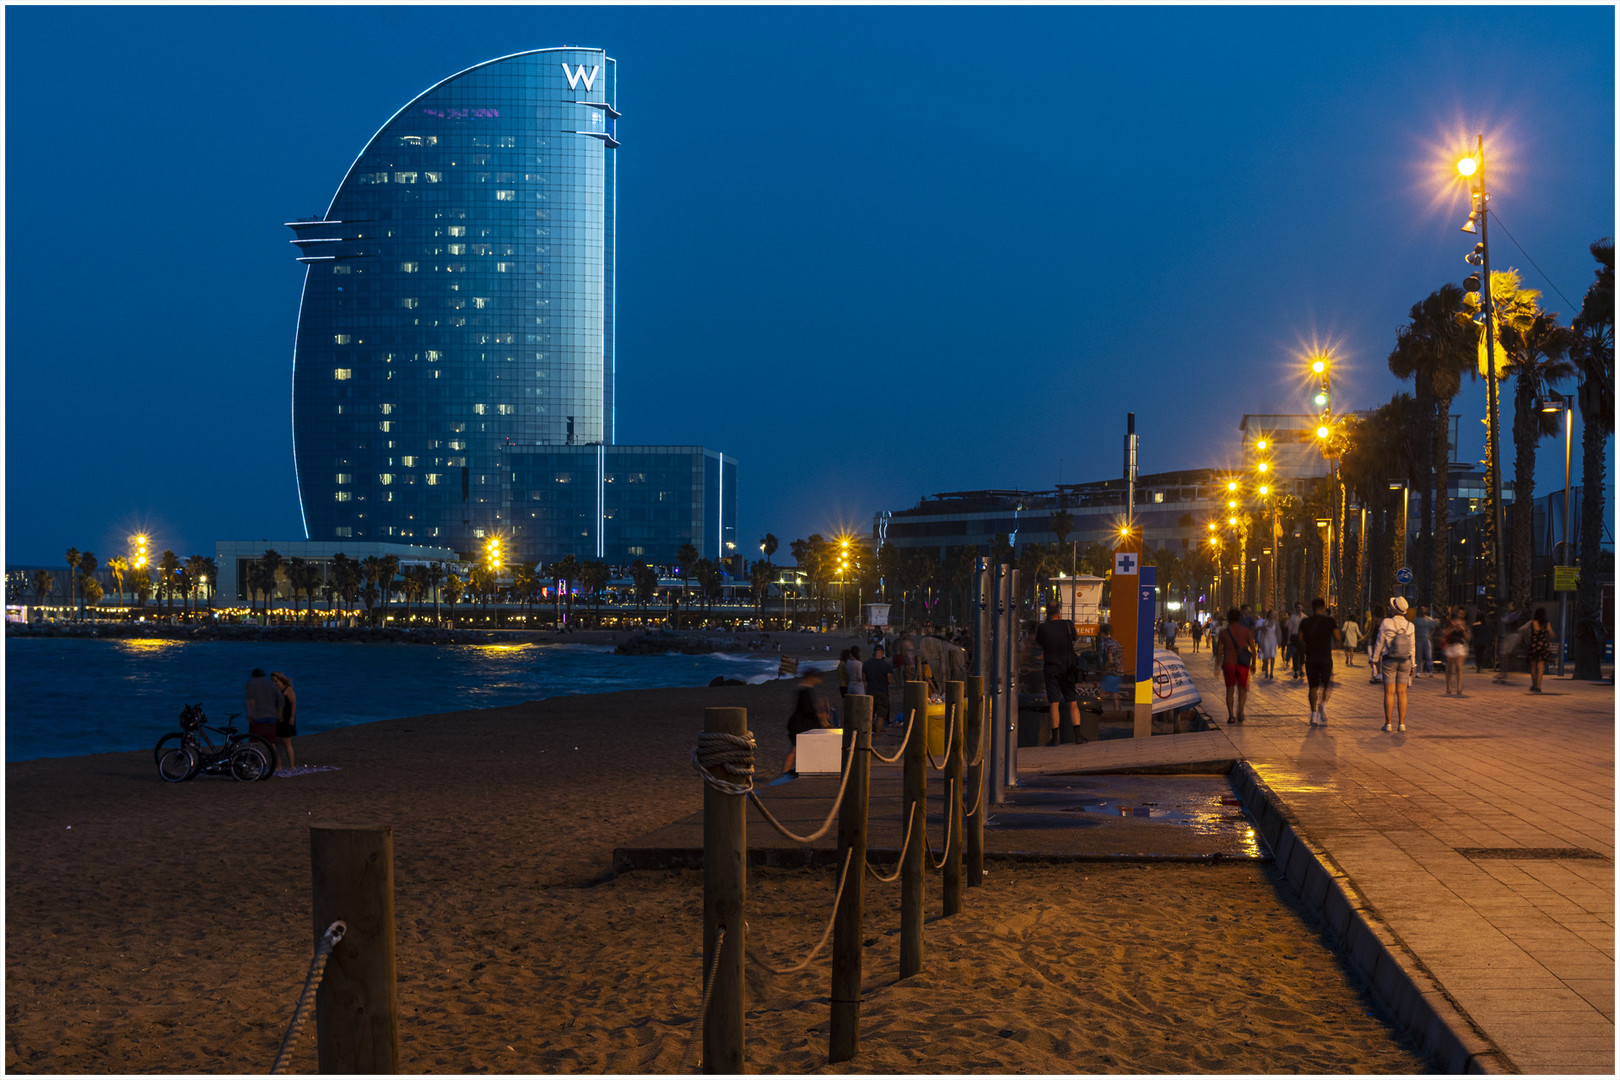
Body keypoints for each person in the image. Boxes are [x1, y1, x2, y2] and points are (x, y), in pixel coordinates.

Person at [1035, 600, 1082, 746]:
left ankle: (1055, 738)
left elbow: (1039, 643)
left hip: (1051, 668)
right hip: (1068, 668)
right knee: (1072, 702)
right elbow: (1074, 638)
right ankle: (1078, 736)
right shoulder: (1068, 624)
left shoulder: (1042, 628)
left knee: (1054, 704)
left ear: (1047, 614)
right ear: (1059, 612)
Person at [1371, 596, 1416, 733]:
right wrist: (1413, 665)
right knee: (1402, 692)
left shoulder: (1386, 622)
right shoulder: (1410, 625)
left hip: (1389, 659)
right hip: (1405, 660)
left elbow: (1380, 642)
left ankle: (1388, 723)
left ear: (1392, 609)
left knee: (1389, 692)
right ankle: (1402, 724)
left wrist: (1374, 659)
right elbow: (1412, 647)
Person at [779, 669, 830, 778]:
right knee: (794, 750)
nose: (819, 680)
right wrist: (821, 717)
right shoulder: (806, 691)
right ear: (811, 678)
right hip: (799, 724)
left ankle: (787, 772)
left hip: (798, 723)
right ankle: (785, 773)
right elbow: (808, 710)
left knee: (795, 750)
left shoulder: (803, 689)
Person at [1298, 598, 1341, 726]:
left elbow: (1300, 638)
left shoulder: (1305, 622)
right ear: (1323, 607)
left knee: (1313, 687)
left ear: (1312, 607)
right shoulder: (1330, 621)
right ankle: (1323, 704)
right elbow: (1338, 637)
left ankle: (1313, 714)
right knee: (1327, 684)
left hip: (1311, 658)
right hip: (1325, 658)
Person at [1214, 607, 1257, 724]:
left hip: (1228, 663)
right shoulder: (1246, 631)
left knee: (1230, 690)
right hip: (1243, 664)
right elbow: (1253, 649)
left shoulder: (1224, 632)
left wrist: (1217, 665)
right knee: (1242, 690)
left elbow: (1219, 651)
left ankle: (1231, 716)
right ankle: (1240, 710)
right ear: (1239, 618)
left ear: (1228, 618)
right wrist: (1253, 663)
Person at [244, 668, 285, 758]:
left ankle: (251, 762)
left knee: (253, 742)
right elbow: (281, 700)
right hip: (271, 717)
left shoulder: (251, 683)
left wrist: (251, 714)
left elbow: (250, 700)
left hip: (258, 717)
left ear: (253, 676)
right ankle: (276, 762)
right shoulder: (271, 684)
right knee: (271, 742)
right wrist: (280, 714)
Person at [1094, 622, 1125, 715]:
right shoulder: (1117, 643)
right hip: (1120, 672)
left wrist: (1104, 669)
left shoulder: (1106, 644)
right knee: (1114, 690)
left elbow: (1110, 660)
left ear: (1103, 633)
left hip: (1111, 672)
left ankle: (1098, 708)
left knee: (1102, 691)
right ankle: (1116, 707)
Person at [269, 671, 298, 771]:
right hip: (277, 719)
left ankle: (292, 765)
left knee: (286, 742)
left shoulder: (288, 689)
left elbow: (293, 703)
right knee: (277, 743)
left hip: (286, 718)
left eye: (276, 681)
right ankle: (279, 765)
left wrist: (292, 717)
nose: (274, 683)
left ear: (281, 680)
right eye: (272, 681)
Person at [862, 644, 894, 728]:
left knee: (870, 714)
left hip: (870, 691)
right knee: (880, 716)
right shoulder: (886, 665)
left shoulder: (866, 664)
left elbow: (864, 679)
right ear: (882, 653)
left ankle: (870, 733)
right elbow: (890, 681)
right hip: (882, 691)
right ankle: (877, 736)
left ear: (873, 653)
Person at [1442, 606, 1472, 696]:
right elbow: (1444, 633)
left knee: (1459, 667)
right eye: (1460, 613)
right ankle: (1448, 686)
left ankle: (1459, 687)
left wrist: (1464, 630)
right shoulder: (1451, 622)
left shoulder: (1465, 624)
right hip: (1451, 646)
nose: (1461, 615)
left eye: (1463, 613)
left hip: (1460, 646)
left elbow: (1468, 638)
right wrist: (1453, 627)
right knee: (1449, 668)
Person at [1525, 608, 1553, 692]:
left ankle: (1533, 684)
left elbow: (1528, 633)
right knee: (1541, 667)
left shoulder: (1533, 622)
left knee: (1533, 666)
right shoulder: (1546, 624)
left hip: (1534, 646)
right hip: (1543, 647)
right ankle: (1538, 686)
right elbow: (1552, 634)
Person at [1412, 604, 1438, 679]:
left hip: (1426, 639)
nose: (1422, 611)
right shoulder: (1416, 620)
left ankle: (1430, 671)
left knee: (1428, 655)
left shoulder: (1428, 619)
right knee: (1418, 656)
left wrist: (1430, 635)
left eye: (1424, 609)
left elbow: (1434, 627)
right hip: (1419, 639)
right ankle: (1418, 672)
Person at [1255, 609, 1279, 680]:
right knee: (1266, 657)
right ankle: (1266, 670)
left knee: (1272, 657)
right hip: (1265, 641)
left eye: (1273, 615)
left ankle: (1271, 672)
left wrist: (1279, 640)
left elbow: (1277, 632)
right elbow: (1261, 633)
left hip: (1273, 642)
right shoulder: (1264, 623)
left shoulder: (1275, 623)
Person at [1365, 603, 1385, 683]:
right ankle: (1379, 675)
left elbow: (1372, 629)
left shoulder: (1375, 618)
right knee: (1379, 658)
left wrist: (1368, 636)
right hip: (1382, 639)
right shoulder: (1384, 619)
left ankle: (1374, 675)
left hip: (1375, 638)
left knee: (1374, 657)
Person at [1286, 603, 1306, 680]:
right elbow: (1290, 630)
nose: (1299, 609)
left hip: (1302, 637)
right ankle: (1295, 670)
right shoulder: (1292, 618)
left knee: (1302, 653)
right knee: (1295, 654)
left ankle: (1301, 667)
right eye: (1297, 607)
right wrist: (1288, 640)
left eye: (1300, 607)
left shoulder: (1304, 617)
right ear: (1295, 608)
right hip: (1294, 637)